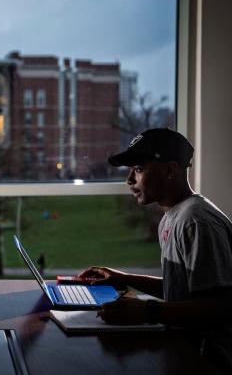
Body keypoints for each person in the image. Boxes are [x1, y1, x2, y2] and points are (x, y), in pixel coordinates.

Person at [79, 128, 232, 372]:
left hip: (209, 357)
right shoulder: (173, 217)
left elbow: (218, 306)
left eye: (138, 169)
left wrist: (148, 311)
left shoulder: (196, 221)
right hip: (184, 343)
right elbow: (184, 291)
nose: (129, 180)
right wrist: (126, 279)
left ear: (170, 170)